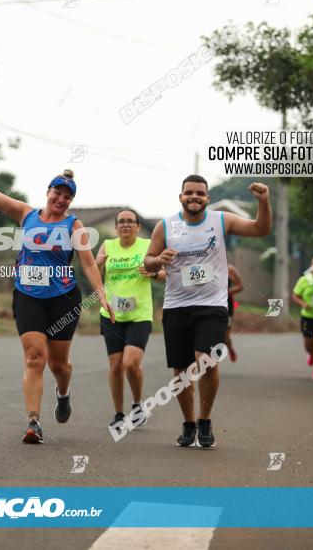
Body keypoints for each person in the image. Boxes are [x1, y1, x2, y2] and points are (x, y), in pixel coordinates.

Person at [0, 142, 114, 444]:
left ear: (71, 201)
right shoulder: (26, 214)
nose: (61, 199)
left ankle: (63, 392)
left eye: (67, 196)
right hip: (28, 295)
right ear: (48, 192)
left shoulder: (75, 225)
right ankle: (33, 422)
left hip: (62, 299)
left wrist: (101, 295)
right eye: (57, 192)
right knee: (35, 358)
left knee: (59, 365)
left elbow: (87, 262)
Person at [144, 175, 271, 448]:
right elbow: (149, 263)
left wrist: (263, 201)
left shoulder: (220, 220)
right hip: (177, 305)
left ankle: (205, 420)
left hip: (213, 304)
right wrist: (158, 259)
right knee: (181, 370)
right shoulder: (165, 226)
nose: (194, 197)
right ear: (181, 197)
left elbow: (261, 229)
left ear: (207, 198)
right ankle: (189, 424)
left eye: (200, 193)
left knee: (207, 361)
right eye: (189, 193)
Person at [95, 208, 165, 431]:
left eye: (130, 221)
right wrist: (98, 263)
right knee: (115, 366)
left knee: (130, 364)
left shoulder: (146, 246)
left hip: (139, 315)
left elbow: (165, 274)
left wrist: (153, 273)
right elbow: (92, 272)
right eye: (121, 222)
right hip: (111, 314)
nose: (125, 225)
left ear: (137, 226)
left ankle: (137, 405)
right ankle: (118, 413)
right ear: (116, 227)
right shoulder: (108, 246)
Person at [225, 264, 244, 362]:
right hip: (207, 305)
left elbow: (240, 286)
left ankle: (230, 348)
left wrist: (226, 291)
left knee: (225, 337)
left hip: (226, 307)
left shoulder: (229, 269)